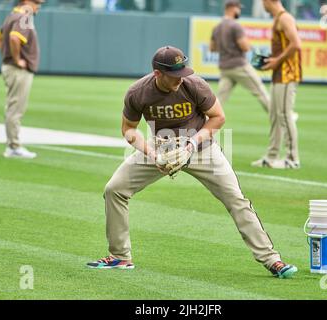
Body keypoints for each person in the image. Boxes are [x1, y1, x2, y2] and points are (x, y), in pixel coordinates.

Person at [87, 45, 298, 279]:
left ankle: (272, 260)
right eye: (174, 75)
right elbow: (128, 129)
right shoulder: (138, 92)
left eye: (183, 72)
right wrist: (153, 155)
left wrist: (191, 145)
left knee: (236, 199)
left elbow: (218, 117)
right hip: (161, 147)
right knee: (115, 189)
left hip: (201, 149)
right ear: (158, 74)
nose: (180, 79)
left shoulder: (194, 84)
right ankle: (120, 257)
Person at [251, 0, 302, 169]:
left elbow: (296, 44)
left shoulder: (285, 18)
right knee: (274, 115)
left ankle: (292, 158)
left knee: (284, 115)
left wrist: (276, 61)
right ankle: (271, 156)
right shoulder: (278, 18)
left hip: (288, 74)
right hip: (279, 74)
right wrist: (271, 61)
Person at [0, 0, 44, 159]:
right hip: (18, 70)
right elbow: (15, 38)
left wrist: (5, 55)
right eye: (37, 2)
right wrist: (16, 59)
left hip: (10, 67)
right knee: (16, 108)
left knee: (13, 107)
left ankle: (12, 145)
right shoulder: (24, 16)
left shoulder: (13, 14)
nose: (40, 4)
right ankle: (13, 146)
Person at [210, 0, 270, 113]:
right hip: (238, 66)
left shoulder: (217, 27)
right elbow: (245, 47)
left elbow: (212, 48)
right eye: (239, 8)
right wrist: (249, 44)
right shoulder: (235, 25)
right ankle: (281, 117)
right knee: (260, 91)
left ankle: (205, 125)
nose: (239, 11)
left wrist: (226, 46)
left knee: (219, 100)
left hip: (224, 68)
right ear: (232, 8)